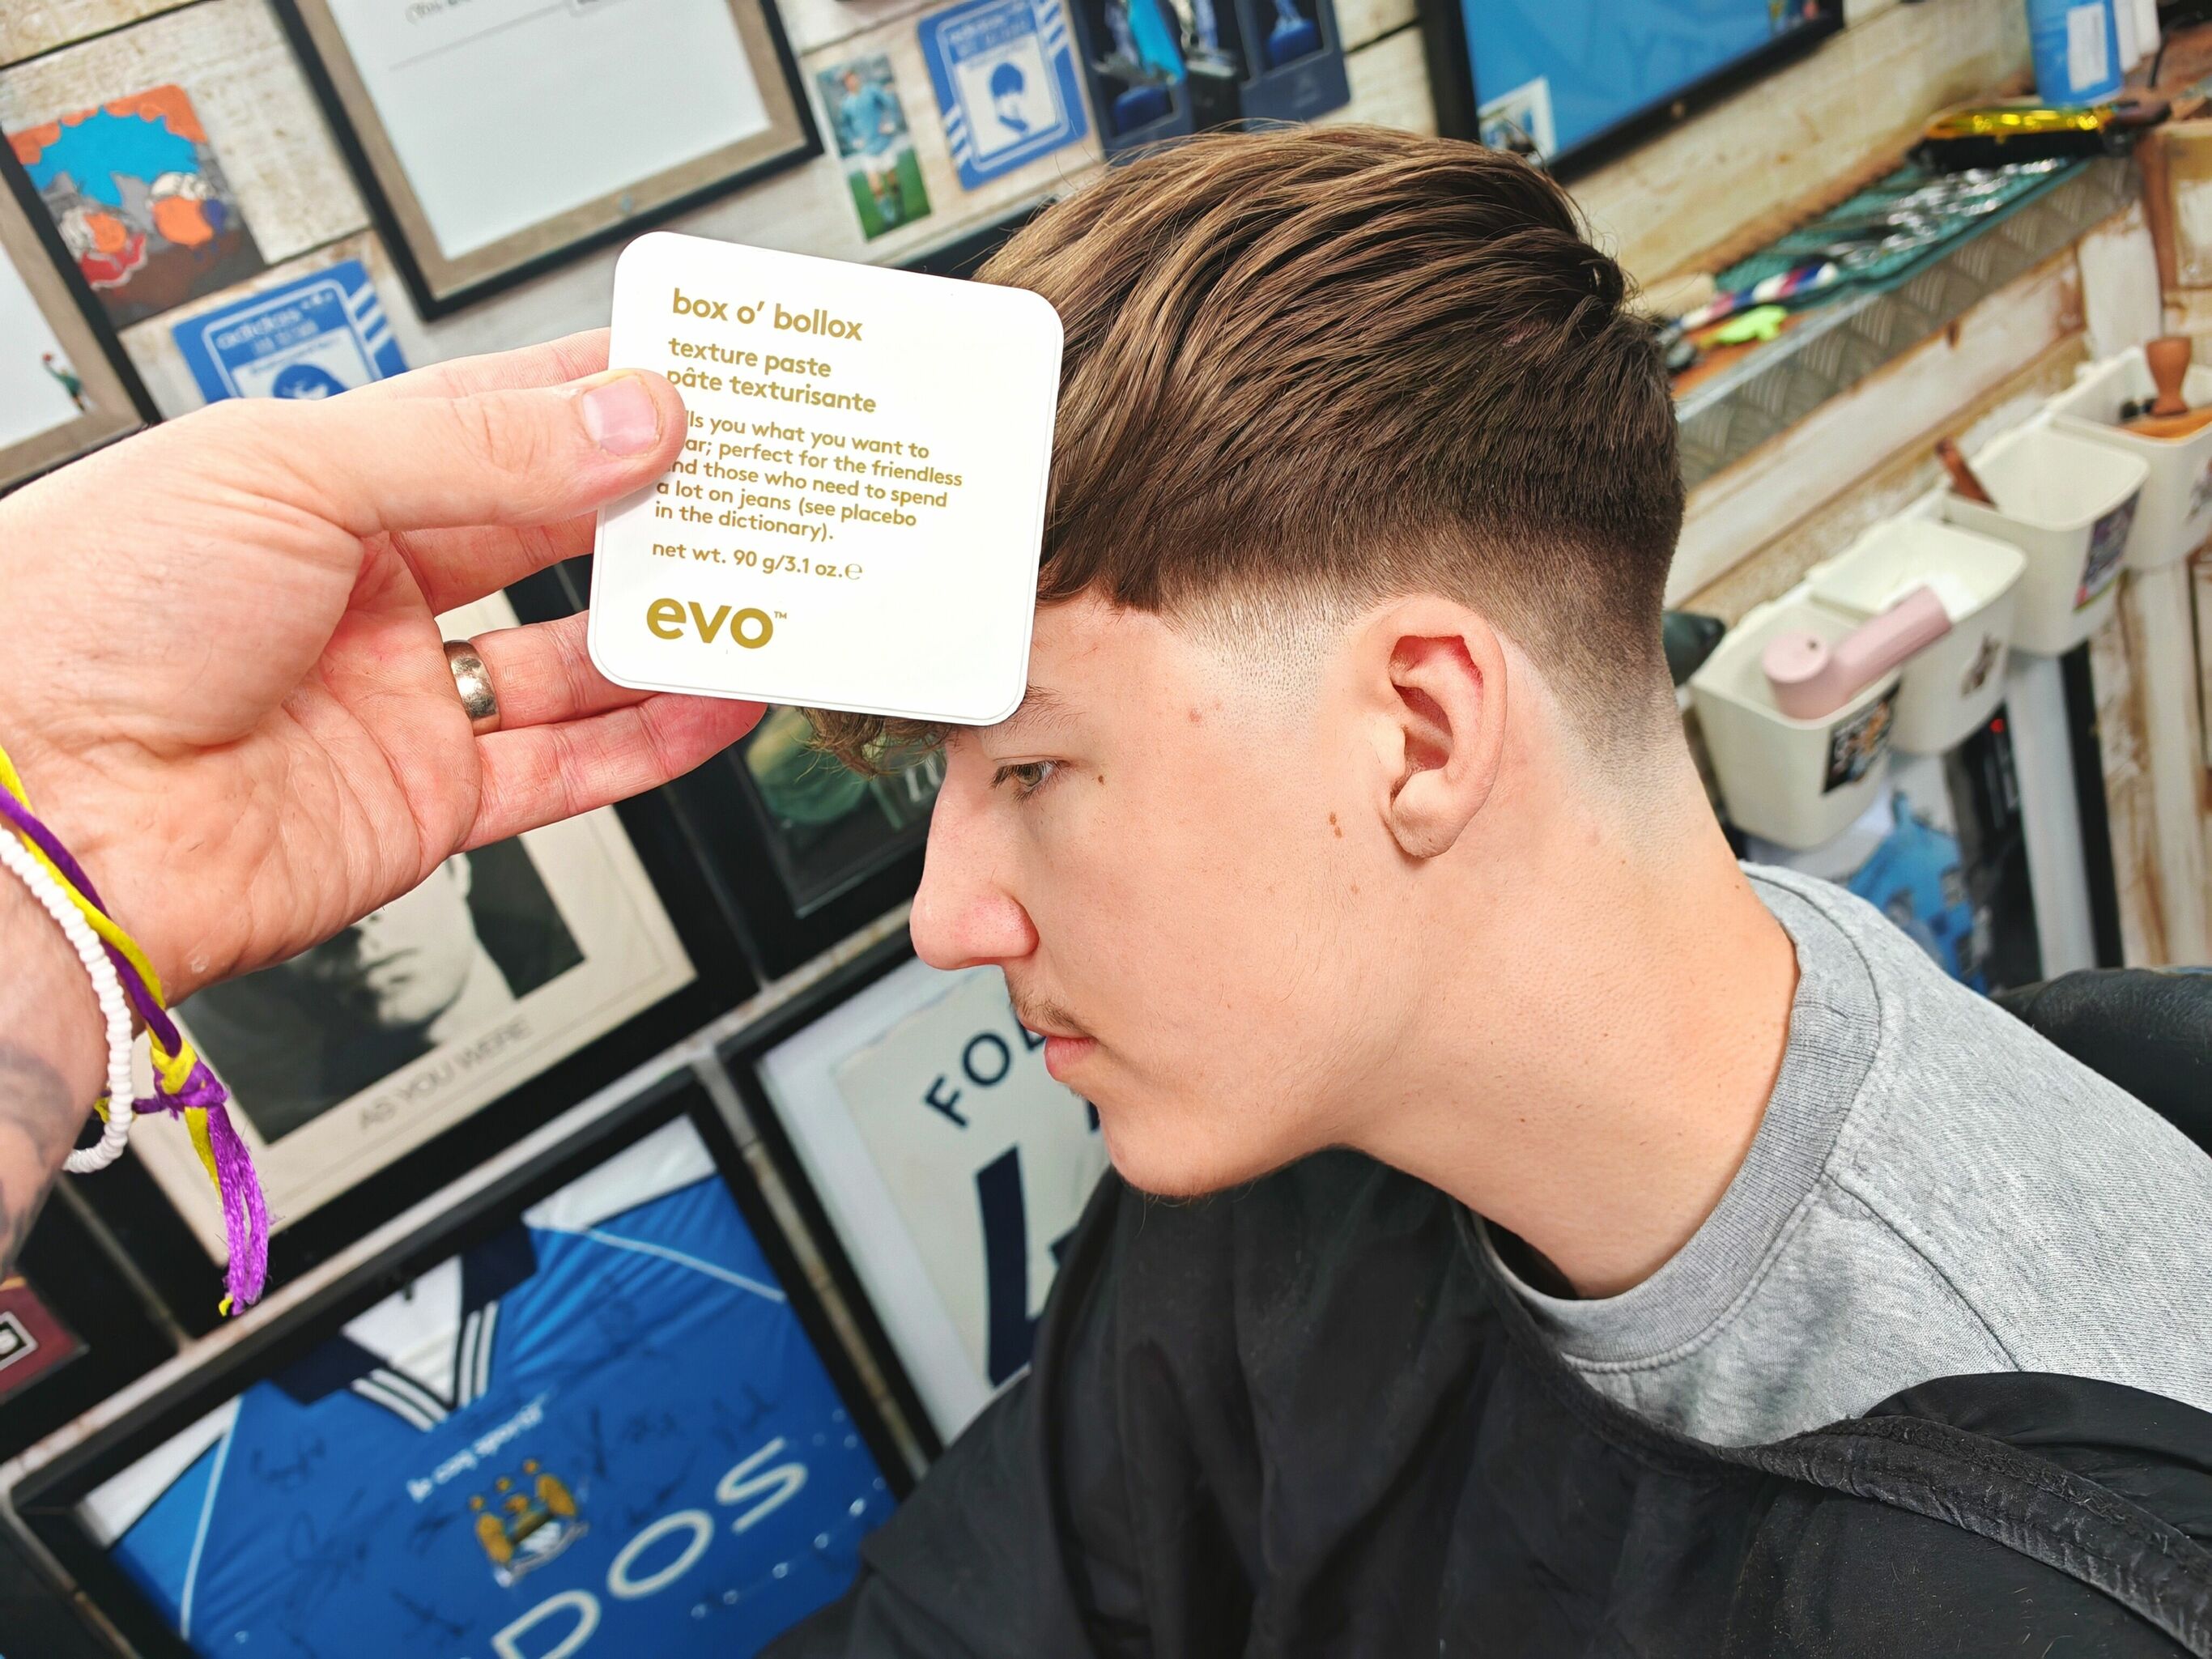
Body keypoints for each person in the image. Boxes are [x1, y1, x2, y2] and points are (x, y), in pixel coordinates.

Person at [1, 127, 2210, 1653]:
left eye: (1036, 768)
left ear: (1417, 729)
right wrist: (57, 863)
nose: (950, 916)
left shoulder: (2039, 1577)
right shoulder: (1284, 1170)